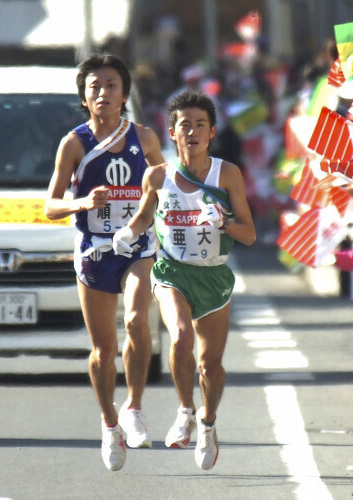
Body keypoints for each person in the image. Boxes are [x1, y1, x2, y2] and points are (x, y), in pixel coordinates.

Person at [113, 89, 256, 470]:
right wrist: (127, 233)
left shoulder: (226, 174)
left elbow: (249, 234)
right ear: (171, 133)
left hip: (212, 277)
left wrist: (224, 222)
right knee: (180, 336)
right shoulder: (158, 176)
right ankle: (185, 411)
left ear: (212, 132)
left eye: (199, 126)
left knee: (210, 365)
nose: (191, 132)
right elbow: (144, 216)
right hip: (172, 271)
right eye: (183, 126)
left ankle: (207, 424)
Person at [44, 53, 164, 471]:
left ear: (125, 94)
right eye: (94, 86)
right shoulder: (74, 143)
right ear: (84, 96)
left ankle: (133, 407)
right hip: (95, 249)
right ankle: (109, 423)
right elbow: (51, 206)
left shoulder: (144, 138)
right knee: (103, 349)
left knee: (136, 320)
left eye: (111, 85)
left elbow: (166, 185)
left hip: (137, 246)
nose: (103, 93)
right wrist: (82, 201)